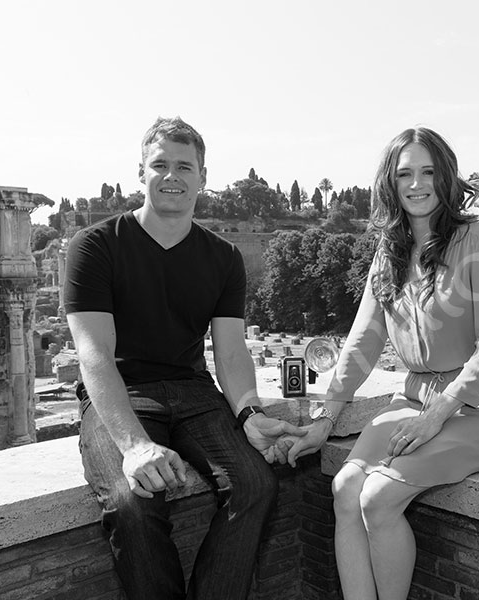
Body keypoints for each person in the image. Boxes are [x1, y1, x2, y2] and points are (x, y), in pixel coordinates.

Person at [64, 116, 304, 600]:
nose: (171, 175)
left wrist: (250, 412)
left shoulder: (223, 256)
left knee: (256, 486)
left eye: (184, 166)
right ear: (141, 173)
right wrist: (133, 445)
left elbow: (231, 350)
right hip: (122, 393)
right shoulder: (94, 246)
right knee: (133, 502)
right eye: (160, 165)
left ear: (202, 177)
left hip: (195, 395)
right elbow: (94, 355)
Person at [279, 127, 479, 600]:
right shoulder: (387, 252)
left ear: (445, 177)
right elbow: (363, 341)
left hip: (476, 407)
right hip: (412, 398)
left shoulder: (478, 241)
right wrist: (327, 416)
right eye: (405, 173)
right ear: (390, 182)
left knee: (378, 496)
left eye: (428, 171)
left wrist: (437, 416)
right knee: (346, 486)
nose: (417, 183)